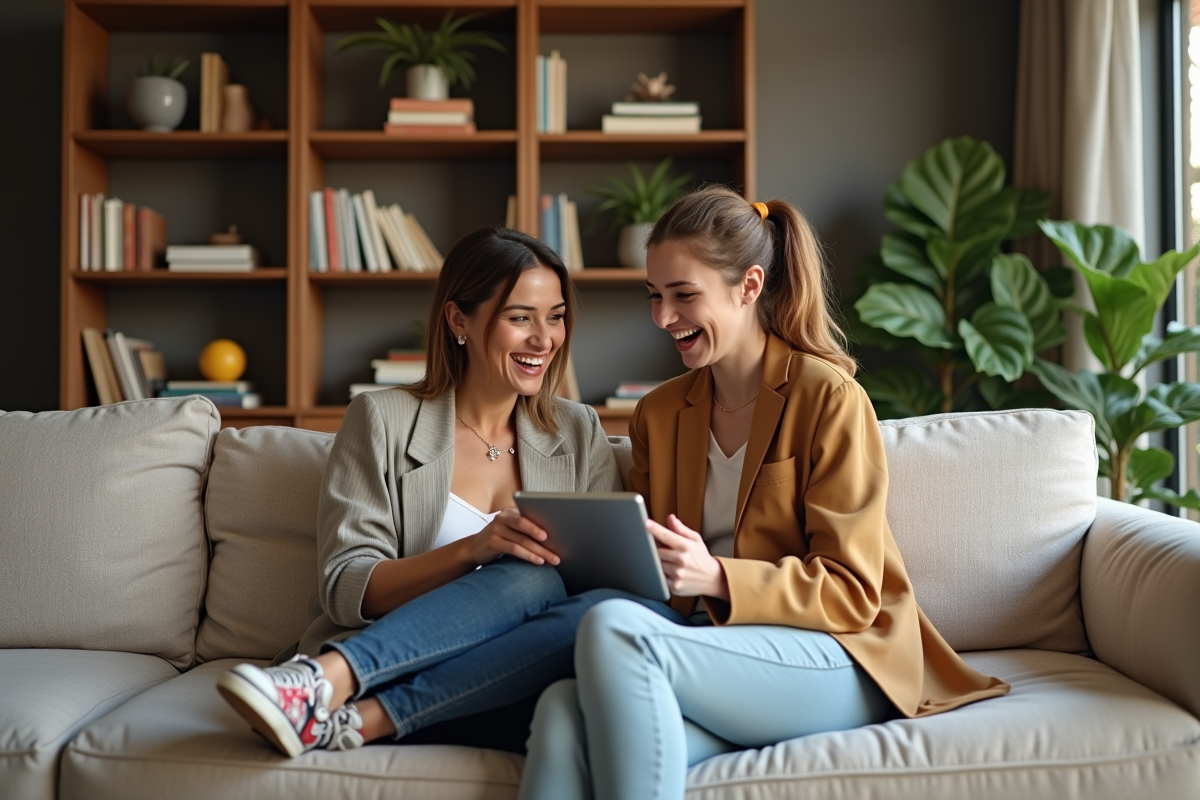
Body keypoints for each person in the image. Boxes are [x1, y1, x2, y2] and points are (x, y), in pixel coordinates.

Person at [518, 187, 1011, 800]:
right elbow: (647, 571)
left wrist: (716, 576)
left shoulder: (826, 396)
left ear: (749, 286)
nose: (663, 317)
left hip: (841, 655)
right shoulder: (659, 414)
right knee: (564, 709)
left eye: (683, 295)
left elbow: (854, 592)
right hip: (717, 651)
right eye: (654, 296)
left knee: (615, 631)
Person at [216, 226, 663, 757]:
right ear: (459, 321)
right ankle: (331, 679)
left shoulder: (577, 431)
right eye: (520, 318)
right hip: (401, 661)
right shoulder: (383, 420)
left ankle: (351, 716)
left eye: (556, 316)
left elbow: (598, 593)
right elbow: (345, 585)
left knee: (589, 606)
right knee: (532, 577)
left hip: (519, 675)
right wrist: (474, 549)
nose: (544, 339)